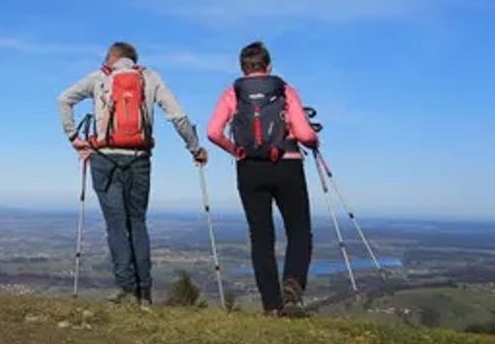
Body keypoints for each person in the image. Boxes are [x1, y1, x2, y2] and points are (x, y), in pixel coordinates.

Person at [58, 41, 208, 306]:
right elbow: (178, 116)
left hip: (104, 160)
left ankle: (126, 289)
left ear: (110, 58)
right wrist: (195, 148)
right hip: (139, 160)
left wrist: (74, 137)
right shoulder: (149, 78)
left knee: (116, 225)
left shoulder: (99, 78)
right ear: (133, 59)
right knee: (137, 223)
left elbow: (64, 100)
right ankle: (144, 293)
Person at [206, 41, 319, 316]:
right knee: (299, 230)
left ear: (243, 68)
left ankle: (271, 305)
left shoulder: (232, 92)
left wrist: (236, 151)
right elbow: (304, 135)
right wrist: (314, 140)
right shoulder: (284, 89)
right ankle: (292, 286)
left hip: (249, 169)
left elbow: (212, 132)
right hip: (287, 165)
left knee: (261, 237)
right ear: (268, 66)